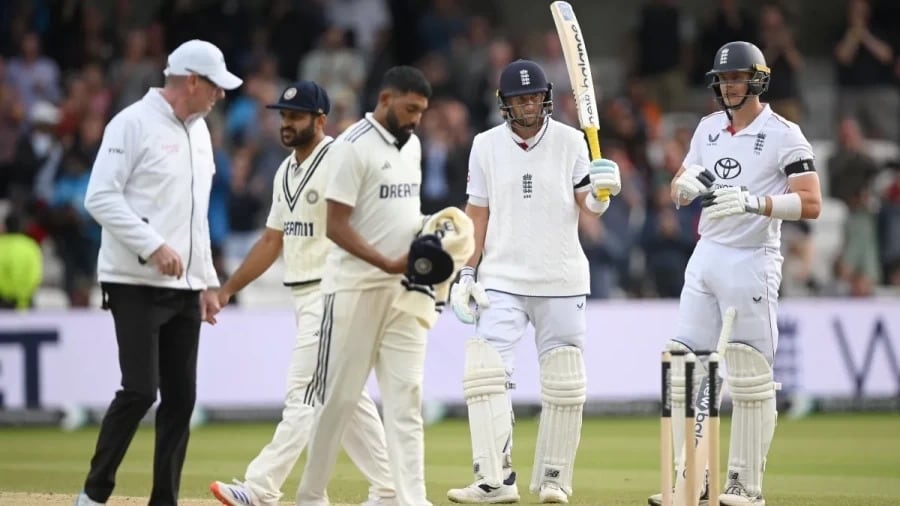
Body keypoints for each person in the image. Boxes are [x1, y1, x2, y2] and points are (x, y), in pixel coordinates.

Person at [208, 80, 397, 506]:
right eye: (284, 116)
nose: (286, 123)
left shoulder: (339, 159)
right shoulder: (285, 171)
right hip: (305, 296)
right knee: (346, 398)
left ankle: (260, 489)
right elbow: (271, 241)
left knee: (304, 393)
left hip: (335, 294)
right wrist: (227, 290)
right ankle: (391, 490)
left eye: (295, 116)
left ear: (320, 120)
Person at [649, 41, 821, 506]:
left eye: (737, 78)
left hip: (752, 258)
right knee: (684, 364)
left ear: (757, 80)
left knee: (749, 372)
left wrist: (755, 202)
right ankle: (690, 480)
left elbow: (811, 203)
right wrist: (682, 187)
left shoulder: (784, 134)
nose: (728, 86)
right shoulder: (707, 128)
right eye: (723, 79)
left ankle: (745, 485)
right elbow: (681, 181)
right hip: (706, 254)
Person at [445, 59, 622, 504]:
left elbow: (587, 203)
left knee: (564, 380)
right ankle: (494, 481)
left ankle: (554, 480)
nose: (528, 105)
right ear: (504, 103)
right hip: (501, 277)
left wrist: (602, 195)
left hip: (561, 277)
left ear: (546, 98)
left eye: (534, 96)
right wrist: (466, 271)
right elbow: (477, 214)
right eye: (519, 98)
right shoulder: (485, 145)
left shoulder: (571, 141)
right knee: (484, 372)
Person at [75, 39, 242, 506]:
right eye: (215, 86)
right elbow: (99, 197)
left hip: (185, 287)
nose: (220, 95)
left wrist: (207, 281)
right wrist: (152, 245)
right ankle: (94, 494)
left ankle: (163, 500)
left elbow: (196, 217)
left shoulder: (201, 132)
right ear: (192, 81)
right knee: (140, 390)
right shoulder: (130, 123)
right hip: (133, 282)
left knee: (181, 399)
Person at [294, 66, 439, 506]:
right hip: (353, 291)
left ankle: (412, 500)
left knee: (406, 400)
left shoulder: (413, 146)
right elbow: (335, 225)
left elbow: (405, 216)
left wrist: (434, 232)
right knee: (338, 400)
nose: (415, 119)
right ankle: (311, 495)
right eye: (410, 109)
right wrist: (386, 262)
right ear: (386, 98)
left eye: (421, 111)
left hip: (404, 292)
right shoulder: (351, 146)